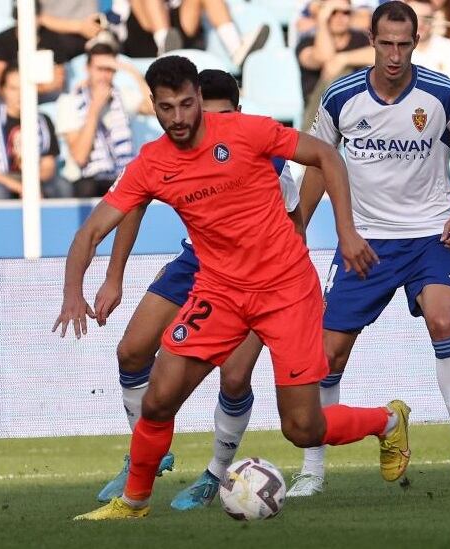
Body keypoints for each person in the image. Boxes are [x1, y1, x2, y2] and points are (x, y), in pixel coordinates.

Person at [54, 54, 410, 521]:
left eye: (186, 104)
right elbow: (91, 231)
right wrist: (73, 291)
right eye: (167, 108)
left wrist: (346, 230)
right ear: (154, 107)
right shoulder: (152, 163)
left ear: (199, 98)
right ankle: (135, 501)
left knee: (302, 428)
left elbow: (325, 154)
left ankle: (388, 420)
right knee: (159, 396)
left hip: (285, 290)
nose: (179, 118)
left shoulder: (247, 132)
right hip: (219, 292)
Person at [286, 0, 450, 497]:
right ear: (372, 40)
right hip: (365, 242)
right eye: (386, 43)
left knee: (444, 321)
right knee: (327, 355)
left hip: (429, 236)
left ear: (415, 42)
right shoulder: (340, 97)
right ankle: (313, 468)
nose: (395, 55)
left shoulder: (442, 94)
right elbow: (317, 164)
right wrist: (299, 231)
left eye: (404, 44)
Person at [93, 68, 306, 510]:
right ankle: (146, 453)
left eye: (222, 114)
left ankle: (215, 472)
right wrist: (114, 276)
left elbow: (295, 221)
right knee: (131, 351)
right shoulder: (168, 150)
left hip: (259, 276)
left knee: (234, 374)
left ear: (237, 113)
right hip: (197, 262)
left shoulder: (264, 155)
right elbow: (132, 206)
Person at [55, 42, 154, 198]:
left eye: (110, 69)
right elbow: (80, 157)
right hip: (86, 180)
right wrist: (94, 110)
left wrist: (131, 71)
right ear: (87, 69)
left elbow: (155, 108)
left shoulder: (121, 96)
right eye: (100, 69)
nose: (104, 75)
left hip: (120, 176)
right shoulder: (70, 102)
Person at [0, 65, 72, 200]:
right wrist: (21, 188)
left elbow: (48, 166)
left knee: (62, 187)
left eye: (24, 88)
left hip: (33, 179)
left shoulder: (43, 121)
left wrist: (31, 185)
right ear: (2, 90)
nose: (20, 95)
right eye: (13, 88)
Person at [121, 0, 269, 66]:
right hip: (144, 40)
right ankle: (164, 45)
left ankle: (236, 49)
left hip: (179, 37)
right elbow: (116, 16)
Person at [296, 0, 372, 128]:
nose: (339, 17)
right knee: (339, 75)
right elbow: (324, 58)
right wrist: (321, 21)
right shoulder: (307, 42)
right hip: (319, 113)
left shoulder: (360, 39)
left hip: (356, 110)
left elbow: (381, 54)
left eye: (345, 12)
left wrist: (343, 59)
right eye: (333, 12)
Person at [0, 0, 69, 103]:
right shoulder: (2, 40)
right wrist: (24, 89)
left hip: (45, 95)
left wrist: (35, 89)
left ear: (39, 17)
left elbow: (58, 79)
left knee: (63, 100)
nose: (27, 21)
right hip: (11, 94)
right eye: (21, 17)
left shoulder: (53, 39)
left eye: (33, 16)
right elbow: (1, 80)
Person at [406, 0, 450, 96]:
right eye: (414, 17)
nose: (420, 23)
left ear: (434, 19)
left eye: (427, 18)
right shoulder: (394, 51)